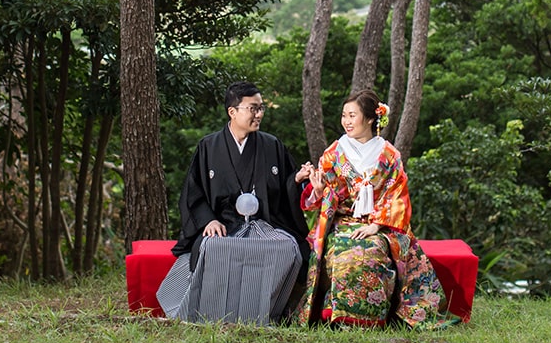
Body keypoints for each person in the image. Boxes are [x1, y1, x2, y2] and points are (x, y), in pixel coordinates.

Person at [157, 81, 310, 324]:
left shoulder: (272, 145)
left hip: (265, 223)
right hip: (225, 223)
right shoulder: (208, 147)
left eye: (261, 108)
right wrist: (208, 220)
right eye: (252, 108)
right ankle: (211, 313)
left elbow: (285, 186)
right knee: (212, 246)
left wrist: (297, 179)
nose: (259, 114)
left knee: (287, 249)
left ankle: (273, 313)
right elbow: (193, 192)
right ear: (232, 112)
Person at [295, 89, 451, 327]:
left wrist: (376, 225)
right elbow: (327, 194)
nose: (346, 121)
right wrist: (318, 190)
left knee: (372, 248)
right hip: (344, 220)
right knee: (343, 251)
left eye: (352, 115)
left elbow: (397, 193)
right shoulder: (334, 153)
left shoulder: (389, 154)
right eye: (344, 115)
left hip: (381, 223)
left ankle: (374, 317)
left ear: (370, 118)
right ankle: (337, 315)